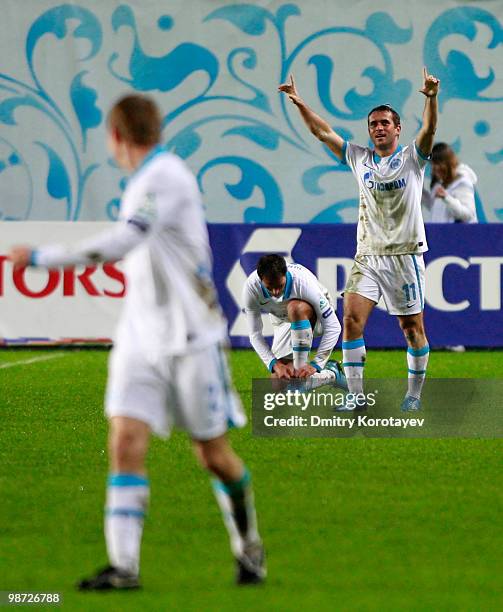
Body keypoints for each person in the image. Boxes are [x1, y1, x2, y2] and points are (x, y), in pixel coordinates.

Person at [8, 94, 265, 589]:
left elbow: (125, 240)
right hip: (140, 338)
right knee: (125, 441)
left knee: (213, 454)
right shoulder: (146, 181)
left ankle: (248, 544)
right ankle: (124, 567)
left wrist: (41, 256)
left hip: (191, 338)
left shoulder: (164, 177)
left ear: (116, 136)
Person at [279, 67, 440, 411]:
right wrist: (299, 102)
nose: (378, 128)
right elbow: (323, 133)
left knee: (412, 330)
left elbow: (429, 129)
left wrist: (431, 98)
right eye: (373, 124)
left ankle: (413, 394)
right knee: (351, 320)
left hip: (404, 255)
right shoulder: (359, 158)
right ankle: (354, 395)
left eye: (385, 123)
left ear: (397, 129)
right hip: (367, 255)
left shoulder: (413, 158)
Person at [242, 254, 346, 388]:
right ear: (260, 280)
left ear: (285, 274)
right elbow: (255, 335)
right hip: (283, 320)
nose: (275, 291)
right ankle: (331, 375)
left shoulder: (302, 283)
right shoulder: (251, 289)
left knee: (295, 308)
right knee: (279, 383)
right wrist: (274, 364)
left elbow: (334, 326)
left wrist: (317, 363)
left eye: (280, 286)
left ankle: (300, 366)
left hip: (314, 316)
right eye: (269, 288)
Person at [423, 142, 478, 223]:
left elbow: (468, 214)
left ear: (447, 164)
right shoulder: (439, 184)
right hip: (439, 233)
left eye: (437, 164)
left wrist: (446, 198)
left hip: (458, 234)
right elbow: (434, 207)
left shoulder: (462, 184)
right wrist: (420, 191)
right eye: (432, 165)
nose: (434, 169)